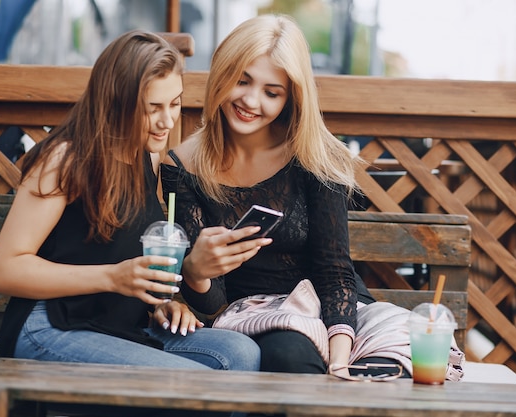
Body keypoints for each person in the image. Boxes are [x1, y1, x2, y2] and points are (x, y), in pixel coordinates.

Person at [0, 29, 260, 416]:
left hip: (118, 325)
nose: (166, 121)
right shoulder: (65, 160)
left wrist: (159, 305)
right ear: (116, 102)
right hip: (50, 328)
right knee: (202, 389)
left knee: (240, 354)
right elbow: (2, 270)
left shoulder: (147, 158)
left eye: (175, 104)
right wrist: (112, 278)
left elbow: (121, 253)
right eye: (152, 108)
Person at [162, 14, 440, 380]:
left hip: (333, 312)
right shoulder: (182, 166)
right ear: (222, 74)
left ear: (291, 97)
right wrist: (196, 271)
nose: (250, 100)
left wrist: (339, 360)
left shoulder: (315, 156)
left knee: (385, 369)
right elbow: (214, 305)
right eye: (241, 80)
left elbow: (336, 270)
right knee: (287, 352)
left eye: (271, 92)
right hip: (254, 317)